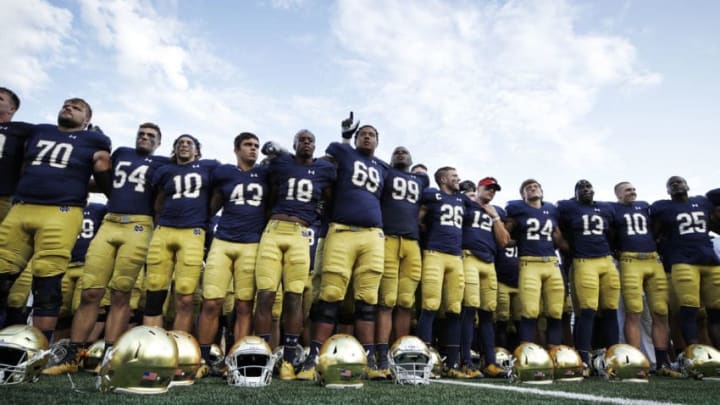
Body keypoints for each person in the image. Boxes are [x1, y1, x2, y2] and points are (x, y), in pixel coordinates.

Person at [44, 123, 167, 374]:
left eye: (150, 136)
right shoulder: (121, 152)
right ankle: (73, 354)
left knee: (121, 292)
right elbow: (103, 178)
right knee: (90, 291)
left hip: (140, 224)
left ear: (158, 143)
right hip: (110, 222)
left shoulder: (161, 163)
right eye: (141, 134)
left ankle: (109, 355)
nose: (144, 138)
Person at [0, 98, 112, 338]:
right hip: (21, 206)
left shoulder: (95, 140)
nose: (69, 108)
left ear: (87, 120)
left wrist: (111, 192)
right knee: (2, 271)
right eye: (66, 105)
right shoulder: (39, 130)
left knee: (47, 281)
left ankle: (37, 347)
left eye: (77, 107)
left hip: (62, 209)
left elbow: (102, 168)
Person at [298, 113, 388, 380]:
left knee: (368, 298)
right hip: (342, 230)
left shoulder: (383, 168)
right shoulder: (345, 153)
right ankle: (314, 356)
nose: (367, 136)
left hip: (373, 234)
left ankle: (370, 358)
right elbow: (331, 157)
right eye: (364, 133)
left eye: (372, 134)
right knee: (331, 293)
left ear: (378, 141)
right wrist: (346, 135)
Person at [253, 129, 335, 380]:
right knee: (265, 294)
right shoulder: (282, 162)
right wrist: (279, 152)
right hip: (274, 229)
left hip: (301, 233)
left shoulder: (323, 168)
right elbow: (266, 155)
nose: (307, 143)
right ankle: (263, 355)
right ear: (295, 144)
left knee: (294, 297)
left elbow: (330, 196)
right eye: (302, 139)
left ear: (315, 145)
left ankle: (288, 358)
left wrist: (319, 209)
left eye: (311, 140)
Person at [196, 132, 270, 378]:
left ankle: (237, 359)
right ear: (236, 149)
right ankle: (203, 358)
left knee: (244, 305)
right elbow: (213, 203)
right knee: (212, 302)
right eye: (248, 145)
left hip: (251, 243)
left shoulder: (264, 173)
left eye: (256, 146)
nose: (253, 149)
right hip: (223, 241)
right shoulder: (225, 172)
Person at [143, 134, 219, 332]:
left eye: (189, 143)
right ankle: (152, 343)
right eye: (180, 143)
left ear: (197, 150)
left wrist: (204, 215)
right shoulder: (165, 170)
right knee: (154, 290)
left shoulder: (209, 167)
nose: (184, 145)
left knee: (185, 295)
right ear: (174, 148)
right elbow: (158, 202)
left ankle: (179, 346)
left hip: (192, 231)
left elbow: (220, 191)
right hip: (164, 230)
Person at [611, 181, 678, 376]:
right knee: (634, 311)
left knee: (660, 312)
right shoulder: (613, 209)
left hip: (652, 260)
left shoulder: (645, 207)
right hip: (630, 260)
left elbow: (656, 229)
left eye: (633, 189)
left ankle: (662, 362)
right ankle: (637, 362)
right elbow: (610, 233)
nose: (632, 192)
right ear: (618, 194)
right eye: (627, 190)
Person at [374, 146, 428, 378]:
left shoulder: (421, 179)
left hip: (412, 242)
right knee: (387, 300)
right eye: (396, 151)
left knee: (406, 302)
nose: (400, 153)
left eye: (404, 152)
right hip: (388, 238)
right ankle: (381, 354)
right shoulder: (385, 172)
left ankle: (401, 351)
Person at [651, 176, 720, 348]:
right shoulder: (662, 207)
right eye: (671, 184)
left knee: (716, 311)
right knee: (688, 309)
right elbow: (654, 235)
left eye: (679, 182)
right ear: (667, 191)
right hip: (682, 260)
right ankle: (693, 353)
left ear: (687, 186)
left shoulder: (704, 201)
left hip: (710, 260)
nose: (675, 185)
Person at [557, 180, 620, 367]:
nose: (585, 189)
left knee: (610, 309)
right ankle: (583, 358)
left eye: (588, 187)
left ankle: (613, 356)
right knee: (587, 310)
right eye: (581, 187)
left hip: (606, 260)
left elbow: (613, 233)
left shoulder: (606, 209)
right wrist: (570, 250)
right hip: (583, 261)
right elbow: (557, 229)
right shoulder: (567, 207)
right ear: (574, 192)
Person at [415, 166, 467, 378]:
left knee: (454, 308)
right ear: (444, 179)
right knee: (430, 305)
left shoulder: (462, 199)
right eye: (454, 176)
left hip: (455, 257)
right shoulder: (431, 195)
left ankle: (452, 364)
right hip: (434, 253)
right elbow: (419, 216)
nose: (458, 179)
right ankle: (422, 360)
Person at [503, 180, 566, 349]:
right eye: (527, 188)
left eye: (536, 186)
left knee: (555, 311)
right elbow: (505, 238)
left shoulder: (551, 210)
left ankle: (554, 352)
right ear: (523, 195)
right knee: (530, 311)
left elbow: (558, 237)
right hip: (529, 263)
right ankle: (527, 351)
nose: (532, 188)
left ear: (542, 191)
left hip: (552, 264)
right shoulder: (517, 209)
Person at [460, 177, 510, 377]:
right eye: (488, 188)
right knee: (469, 308)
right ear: (478, 188)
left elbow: (504, 241)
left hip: (489, 262)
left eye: (494, 190)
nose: (491, 192)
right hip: (469, 256)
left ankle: (490, 362)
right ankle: (465, 361)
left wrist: (496, 218)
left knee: (488, 312)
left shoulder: (495, 211)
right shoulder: (466, 204)